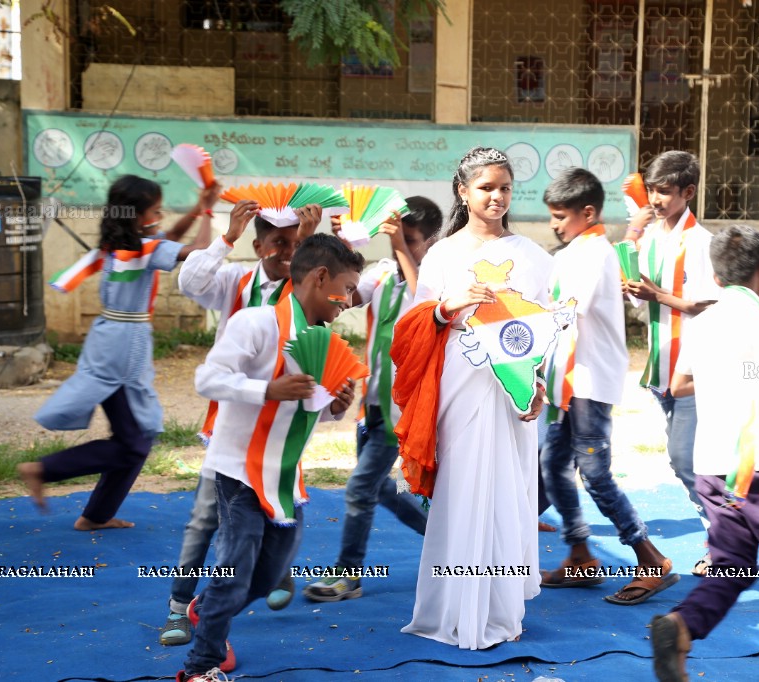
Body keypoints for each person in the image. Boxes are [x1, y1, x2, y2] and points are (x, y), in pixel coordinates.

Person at [176, 234, 363, 681]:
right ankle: (199, 668)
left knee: (265, 580)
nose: (352, 300)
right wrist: (266, 389)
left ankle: (208, 606)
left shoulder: (319, 340)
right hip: (238, 470)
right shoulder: (256, 323)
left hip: (285, 478)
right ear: (320, 278)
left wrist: (333, 409)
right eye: (349, 287)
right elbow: (208, 379)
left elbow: (299, 418)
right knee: (236, 571)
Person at [651, 225, 759, 682]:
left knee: (731, 566)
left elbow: (679, 385)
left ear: (715, 277)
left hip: (710, 464)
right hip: (758, 462)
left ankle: (682, 625)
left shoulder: (703, 322)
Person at [393, 147, 549, 650]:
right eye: (486, 187)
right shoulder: (442, 255)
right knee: (462, 493)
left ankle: (499, 607)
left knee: (507, 491)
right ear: (463, 192)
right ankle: (455, 607)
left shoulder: (531, 256)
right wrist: (445, 306)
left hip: (510, 393)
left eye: (504, 187)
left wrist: (535, 382)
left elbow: (540, 331)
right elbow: (411, 330)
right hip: (459, 389)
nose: (497, 196)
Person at [158, 201, 323, 646]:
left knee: (282, 513)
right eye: (278, 243)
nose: (287, 252)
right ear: (258, 245)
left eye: (296, 245)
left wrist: (310, 247)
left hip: (280, 433)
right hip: (231, 430)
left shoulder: (308, 292)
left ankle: (271, 573)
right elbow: (189, 281)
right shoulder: (238, 280)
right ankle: (181, 607)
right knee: (205, 518)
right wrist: (225, 237)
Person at [18, 175, 216, 530]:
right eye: (156, 210)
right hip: (123, 351)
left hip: (114, 341)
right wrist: (209, 214)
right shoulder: (142, 249)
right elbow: (200, 254)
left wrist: (198, 208)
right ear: (139, 217)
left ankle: (96, 516)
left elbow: (168, 238)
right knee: (135, 443)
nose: (160, 216)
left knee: (137, 435)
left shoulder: (122, 247)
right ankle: (43, 470)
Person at [537, 167, 678, 605]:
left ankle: (649, 555)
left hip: (590, 380)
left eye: (561, 216)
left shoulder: (596, 252)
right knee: (552, 464)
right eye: (552, 216)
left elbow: (564, 310)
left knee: (594, 472)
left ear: (588, 212)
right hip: (566, 378)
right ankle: (581, 553)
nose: (555, 225)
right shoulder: (570, 252)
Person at [302, 197, 442, 603]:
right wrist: (341, 247)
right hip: (373, 406)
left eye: (412, 241)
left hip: (406, 411)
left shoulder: (436, 283)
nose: (403, 249)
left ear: (432, 242)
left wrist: (399, 244)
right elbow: (341, 297)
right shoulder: (383, 275)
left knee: (360, 489)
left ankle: (348, 576)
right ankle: (444, 540)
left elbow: (426, 306)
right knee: (379, 489)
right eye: (399, 238)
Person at [622, 150, 720, 576]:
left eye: (665, 192)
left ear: (688, 192)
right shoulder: (651, 238)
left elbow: (711, 304)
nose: (656, 199)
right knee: (692, 461)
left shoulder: (703, 243)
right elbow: (636, 292)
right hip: (661, 368)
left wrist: (656, 296)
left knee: (686, 460)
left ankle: (726, 542)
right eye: (653, 190)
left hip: (696, 371)